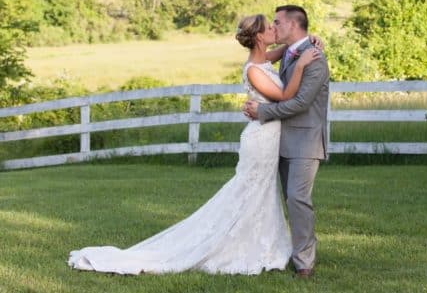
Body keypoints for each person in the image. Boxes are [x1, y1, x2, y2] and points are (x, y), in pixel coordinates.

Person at [67, 14, 321, 275]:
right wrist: (301, 65)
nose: (274, 30)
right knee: (249, 191)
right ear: (258, 37)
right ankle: (235, 247)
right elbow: (284, 96)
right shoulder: (255, 70)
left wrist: (305, 42)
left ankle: (262, 244)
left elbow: (282, 51)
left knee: (262, 193)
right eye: (269, 27)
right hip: (260, 139)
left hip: (268, 136)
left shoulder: (263, 60)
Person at [244, 4, 330, 278]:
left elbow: (302, 102)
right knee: (286, 199)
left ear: (293, 25)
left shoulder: (314, 58)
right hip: (278, 141)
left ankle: (305, 263)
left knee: (297, 198)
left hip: (305, 141)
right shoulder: (290, 54)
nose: (274, 27)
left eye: (278, 22)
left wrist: (263, 112)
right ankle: (285, 251)